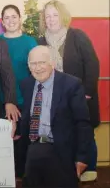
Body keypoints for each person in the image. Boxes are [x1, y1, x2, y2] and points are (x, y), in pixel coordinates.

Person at [38, 0, 100, 181]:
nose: (51, 19)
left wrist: (87, 92)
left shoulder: (77, 36)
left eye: (55, 15)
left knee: (84, 131)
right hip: (54, 99)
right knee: (61, 133)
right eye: (47, 16)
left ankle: (90, 167)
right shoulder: (40, 42)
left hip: (81, 96)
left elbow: (92, 64)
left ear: (62, 16)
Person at [19, 46, 93, 188]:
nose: (38, 67)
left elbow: (82, 123)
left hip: (61, 151)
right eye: (33, 63)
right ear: (28, 66)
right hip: (33, 149)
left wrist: (82, 157)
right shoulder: (26, 84)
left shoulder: (71, 84)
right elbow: (26, 119)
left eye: (42, 62)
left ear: (52, 63)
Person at [0, 4, 37, 179]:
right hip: (1, 99)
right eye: (7, 17)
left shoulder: (30, 42)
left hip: (25, 100)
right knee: (5, 141)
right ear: (2, 22)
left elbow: (37, 71)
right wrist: (8, 100)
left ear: (20, 19)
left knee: (22, 141)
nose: (11, 20)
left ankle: (21, 176)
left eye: (14, 16)